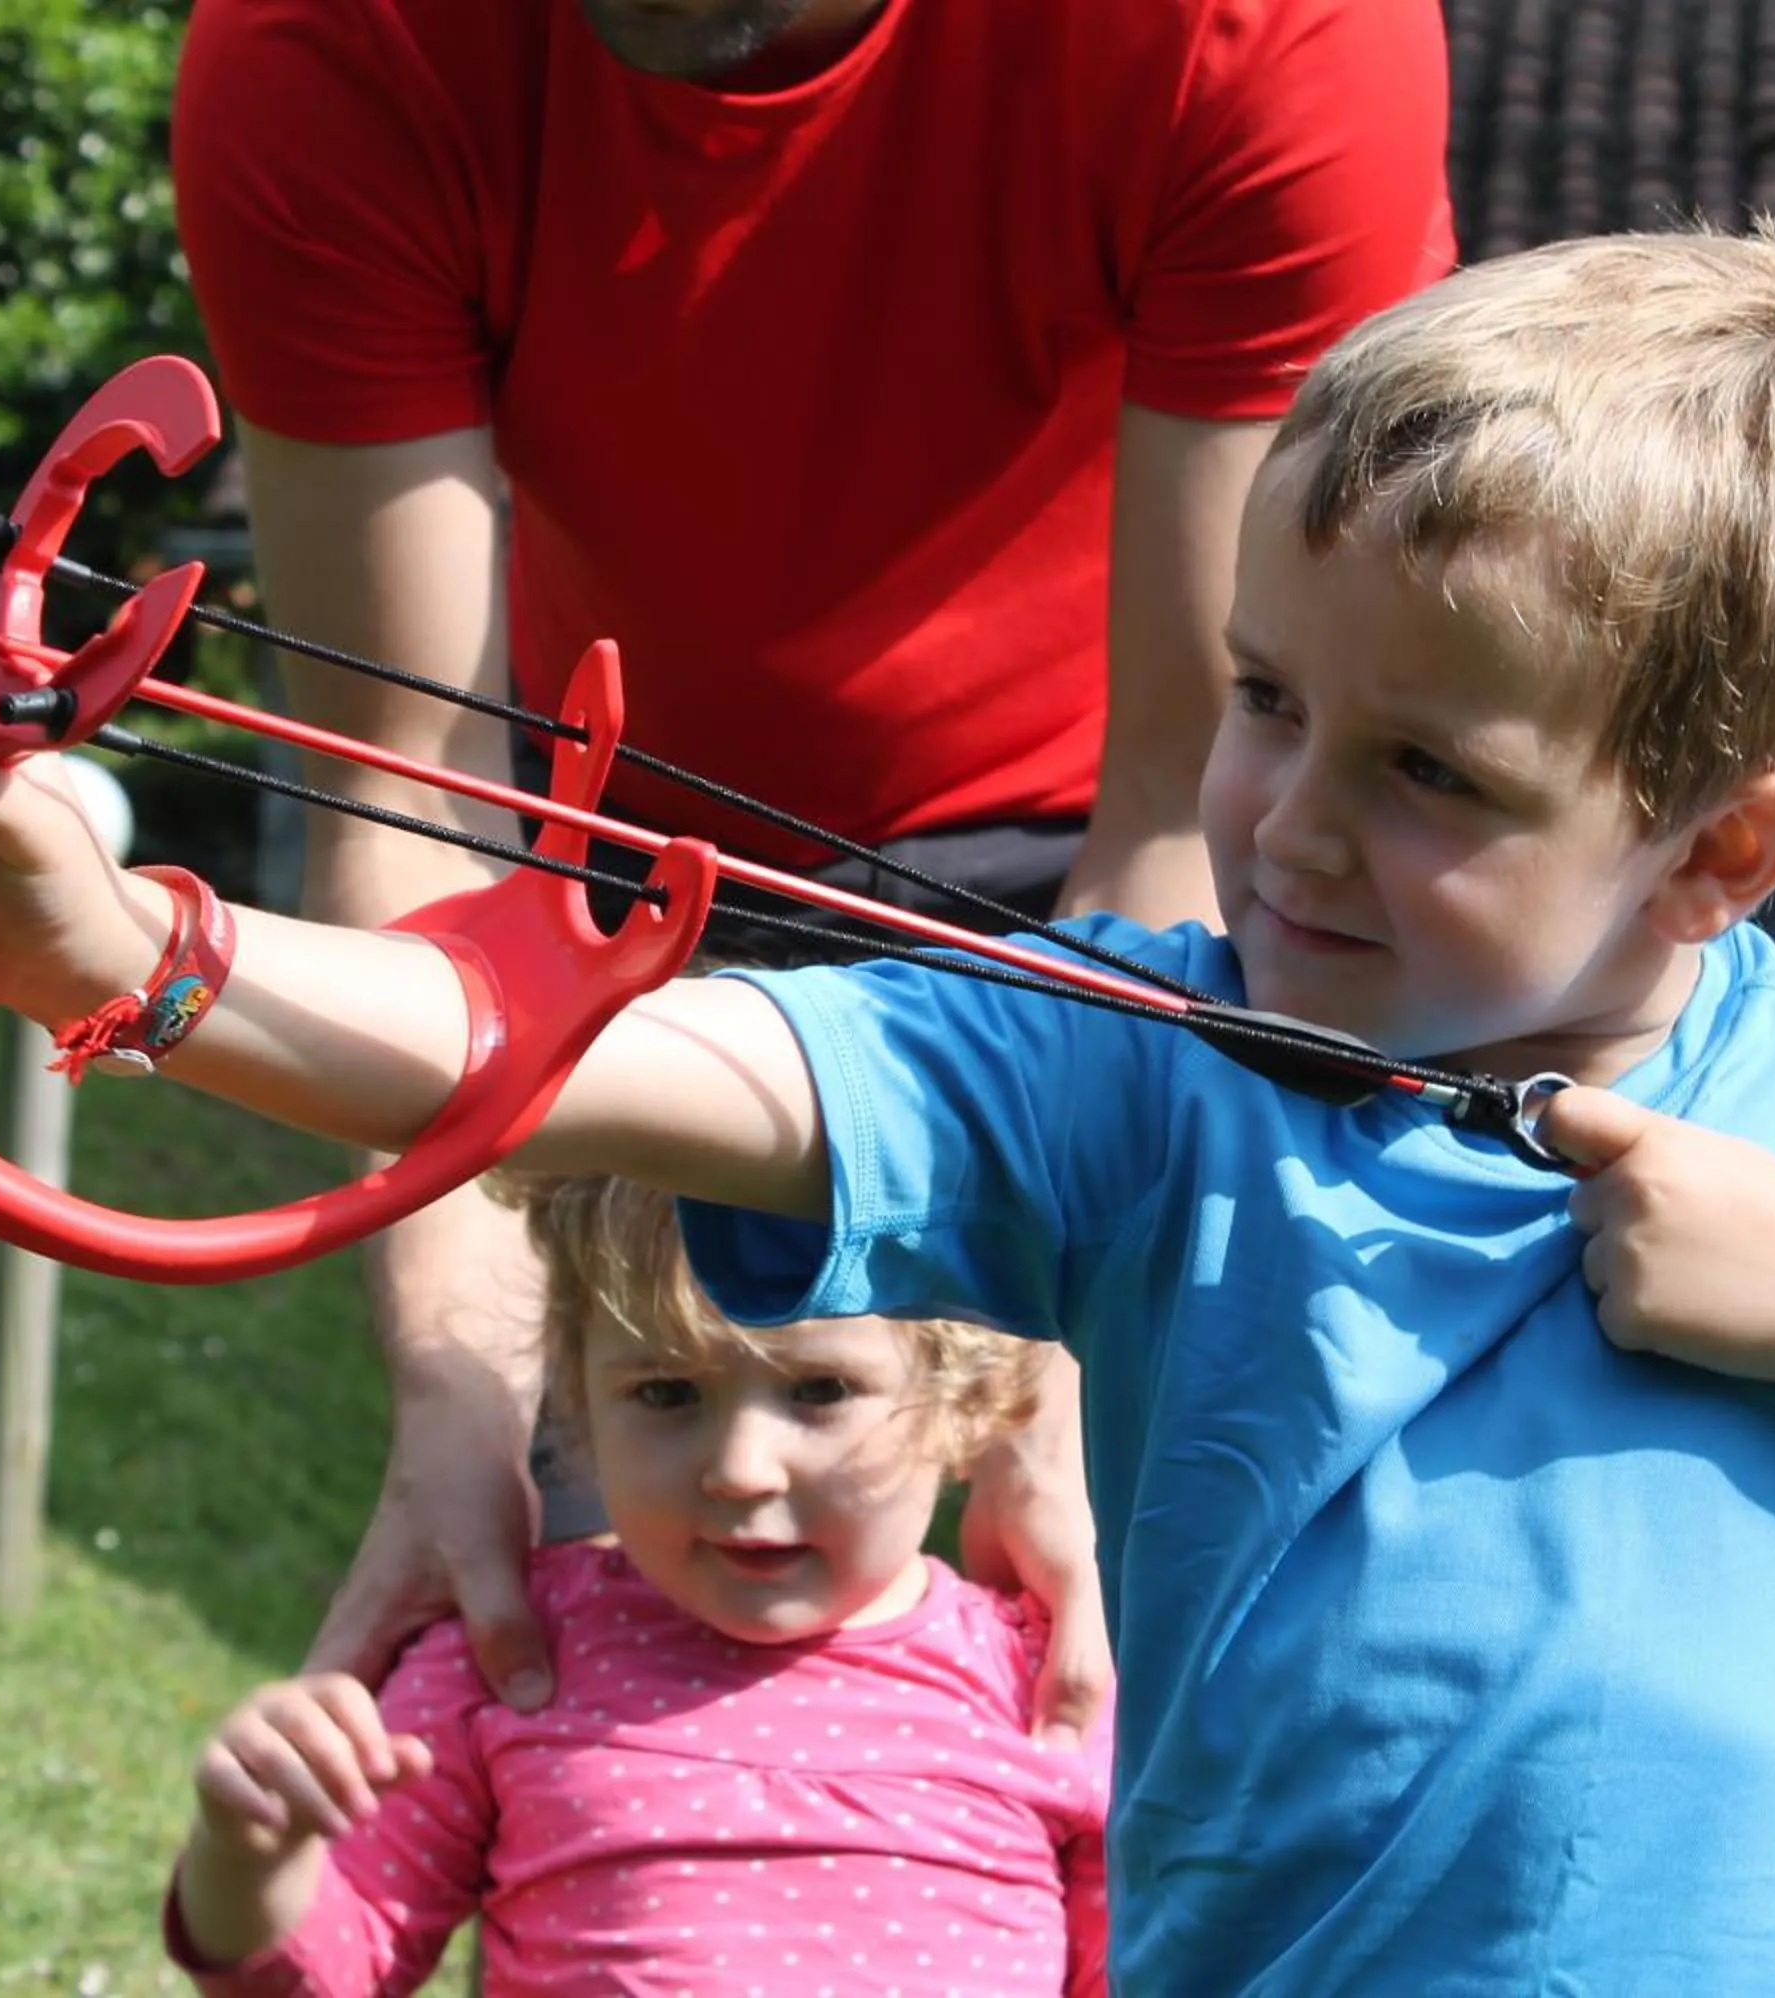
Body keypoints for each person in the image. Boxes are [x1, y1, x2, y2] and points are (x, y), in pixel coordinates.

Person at [0, 226, 1775, 1987]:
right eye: (1259, 699)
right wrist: (145, 959)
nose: (1284, 822)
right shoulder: (1151, 1056)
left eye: (1429, 765)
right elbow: (632, 1048)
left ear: (1722, 845)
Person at [166, 0, 1459, 1725]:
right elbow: (421, 804)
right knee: (586, 1696)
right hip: (609, 912)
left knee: (1143, 1675)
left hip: (1113, 906)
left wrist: (1054, 1384)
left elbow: (1189, 809)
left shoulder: (1249, 28)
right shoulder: (333, 47)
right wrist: (466, 1393)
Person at [161, 1176, 1110, 1995]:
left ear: (965, 1403)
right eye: (665, 1393)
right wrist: (251, 1854)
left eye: (818, 1391)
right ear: (575, 1403)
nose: (741, 1468)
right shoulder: (516, 1655)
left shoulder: (1049, 1688)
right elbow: (323, 1971)